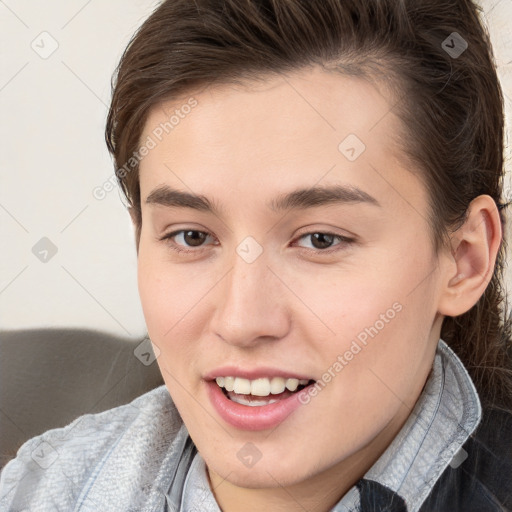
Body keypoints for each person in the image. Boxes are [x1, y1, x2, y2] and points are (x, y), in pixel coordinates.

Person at [1, 0, 511, 510]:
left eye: (320, 240)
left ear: (464, 259)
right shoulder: (38, 491)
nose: (242, 321)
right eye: (192, 237)